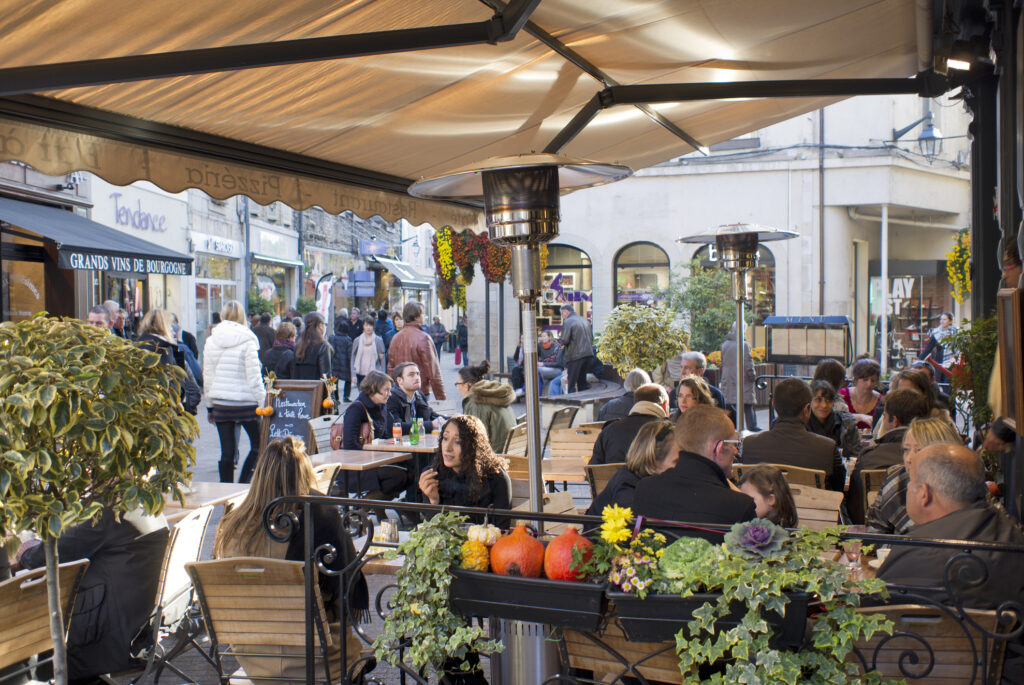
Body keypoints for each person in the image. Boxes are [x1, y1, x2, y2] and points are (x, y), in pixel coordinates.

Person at [213, 437, 370, 683]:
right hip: (315, 660)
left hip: (254, 657)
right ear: (304, 474)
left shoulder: (233, 525)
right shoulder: (320, 515)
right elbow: (345, 593)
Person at [18, 508, 169, 682]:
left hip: (104, 633)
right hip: (135, 621)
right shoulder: (145, 503)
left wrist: (25, 551)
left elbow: (49, 555)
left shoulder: (109, 513)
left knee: (35, 618)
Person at [877, 443, 1024, 608]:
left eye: (911, 482)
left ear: (924, 494)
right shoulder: (1013, 535)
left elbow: (877, 613)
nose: (908, 488)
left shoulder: (914, 554)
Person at [632, 405, 756, 540]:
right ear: (718, 448)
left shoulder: (645, 489)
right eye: (734, 444)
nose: (736, 451)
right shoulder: (738, 506)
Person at [742, 378, 845, 491]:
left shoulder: (749, 445)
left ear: (774, 406)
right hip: (813, 507)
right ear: (807, 409)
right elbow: (838, 490)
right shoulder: (827, 448)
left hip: (764, 508)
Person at [203, 300, 267, 483]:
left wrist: (209, 407)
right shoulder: (248, 339)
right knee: (259, 445)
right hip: (246, 403)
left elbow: (208, 374)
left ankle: (226, 490)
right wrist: (263, 403)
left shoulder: (211, 340)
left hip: (221, 404)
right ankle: (243, 484)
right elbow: (254, 377)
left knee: (227, 452)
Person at [866, 417, 963, 535]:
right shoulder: (896, 479)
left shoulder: (963, 487)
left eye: (919, 450)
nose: (909, 459)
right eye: (906, 450)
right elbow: (874, 530)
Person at [847, 388, 931, 523]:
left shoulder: (869, 457)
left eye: (884, 416)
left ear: (895, 420)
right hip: (924, 531)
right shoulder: (936, 458)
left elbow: (855, 510)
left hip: (878, 535)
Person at [418, 415, 512, 522]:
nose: (448, 448)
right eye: (445, 438)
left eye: (458, 442)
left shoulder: (496, 479)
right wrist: (434, 501)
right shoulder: (433, 475)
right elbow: (433, 532)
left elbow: (502, 528)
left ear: (474, 447)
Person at [336, 370, 412, 499]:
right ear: (372, 388)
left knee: (411, 472)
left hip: (375, 461)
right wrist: (375, 457)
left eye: (390, 390)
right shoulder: (356, 409)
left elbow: (385, 435)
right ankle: (363, 506)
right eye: (386, 390)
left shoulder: (381, 406)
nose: (389, 394)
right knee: (400, 476)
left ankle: (374, 506)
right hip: (354, 467)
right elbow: (349, 444)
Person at [586, 419, 677, 515]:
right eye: (676, 461)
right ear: (653, 460)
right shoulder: (628, 491)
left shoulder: (635, 478)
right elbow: (629, 527)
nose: (684, 465)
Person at [136, 308, 203, 414]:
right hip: (166, 414)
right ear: (164, 326)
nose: (173, 330)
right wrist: (185, 407)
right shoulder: (164, 350)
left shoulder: (136, 347)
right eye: (170, 325)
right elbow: (178, 386)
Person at [589, 384, 670, 465]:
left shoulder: (608, 431)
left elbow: (593, 470)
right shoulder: (669, 432)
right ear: (664, 405)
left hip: (613, 477)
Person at [386, 301, 446, 400]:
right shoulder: (423, 338)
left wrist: (394, 389)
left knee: (405, 415)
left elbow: (390, 367)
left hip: (400, 390)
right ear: (416, 317)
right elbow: (433, 372)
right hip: (420, 391)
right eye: (422, 313)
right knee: (418, 415)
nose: (424, 316)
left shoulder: (396, 338)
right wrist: (441, 398)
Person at [457, 360, 516, 454]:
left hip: (494, 456)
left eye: (458, 384)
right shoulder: (493, 392)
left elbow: (476, 440)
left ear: (467, 385)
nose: (457, 388)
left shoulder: (475, 403)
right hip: (510, 452)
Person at [807, 380, 861, 459]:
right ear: (810, 401)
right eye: (818, 399)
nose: (824, 405)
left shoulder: (847, 424)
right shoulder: (801, 424)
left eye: (829, 400)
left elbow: (856, 456)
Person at [720, 323, 759, 430]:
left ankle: (733, 426)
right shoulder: (744, 345)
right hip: (742, 378)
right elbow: (748, 364)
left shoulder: (725, 345)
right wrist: (752, 376)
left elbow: (723, 362)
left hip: (728, 378)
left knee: (732, 404)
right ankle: (752, 426)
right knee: (747, 404)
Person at [387, 362, 443, 435]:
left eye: (418, 374)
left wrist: (451, 419)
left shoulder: (419, 395)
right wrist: (431, 425)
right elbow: (395, 426)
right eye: (411, 375)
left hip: (417, 441)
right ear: (399, 380)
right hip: (396, 443)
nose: (417, 378)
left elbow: (431, 415)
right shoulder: (391, 398)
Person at [839, 358, 884, 430]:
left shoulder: (881, 401)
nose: (869, 384)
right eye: (865, 379)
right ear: (856, 379)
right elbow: (836, 419)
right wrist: (861, 417)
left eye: (873, 380)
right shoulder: (842, 395)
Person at [559, 304, 594, 393]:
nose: (562, 317)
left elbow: (565, 340)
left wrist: (559, 341)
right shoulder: (584, 320)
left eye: (562, 314)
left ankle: (572, 404)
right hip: (588, 355)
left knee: (571, 384)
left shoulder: (568, 321)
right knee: (582, 383)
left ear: (566, 312)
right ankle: (585, 403)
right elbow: (591, 338)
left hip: (575, 356)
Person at [920, 311, 958, 382]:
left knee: (948, 385)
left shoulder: (956, 332)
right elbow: (928, 348)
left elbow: (958, 348)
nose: (941, 321)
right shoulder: (936, 333)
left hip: (952, 362)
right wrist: (919, 360)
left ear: (950, 321)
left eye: (944, 319)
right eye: (941, 319)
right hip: (939, 363)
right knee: (939, 383)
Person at [293, 312, 332, 380]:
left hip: (299, 388)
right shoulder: (323, 346)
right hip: (316, 388)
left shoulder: (298, 345)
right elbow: (326, 375)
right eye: (324, 324)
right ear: (320, 325)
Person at [351, 317, 386, 385]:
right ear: (363, 326)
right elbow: (353, 357)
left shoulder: (378, 340)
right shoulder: (357, 340)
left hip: (374, 374)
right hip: (360, 373)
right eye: (366, 325)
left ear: (373, 326)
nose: (368, 327)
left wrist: (383, 375)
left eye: (370, 325)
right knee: (362, 394)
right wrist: (353, 374)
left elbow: (382, 359)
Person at [329, 320, 352, 403]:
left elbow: (331, 350)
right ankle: (346, 396)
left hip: (335, 363)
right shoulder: (348, 339)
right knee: (348, 380)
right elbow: (350, 353)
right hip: (345, 363)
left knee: (334, 380)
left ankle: (336, 397)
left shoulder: (333, 338)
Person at [537, 330, 564, 394]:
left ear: (549, 337)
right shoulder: (540, 347)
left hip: (557, 369)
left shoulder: (557, 346)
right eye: (541, 336)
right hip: (546, 369)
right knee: (537, 375)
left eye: (544, 336)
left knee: (537, 370)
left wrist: (543, 364)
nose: (542, 338)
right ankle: (538, 398)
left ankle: (524, 390)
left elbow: (558, 363)